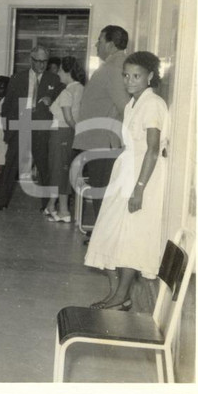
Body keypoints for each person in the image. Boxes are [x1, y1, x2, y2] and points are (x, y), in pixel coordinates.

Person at [84, 52, 169, 310]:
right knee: (108, 231)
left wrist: (139, 189)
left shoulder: (153, 103)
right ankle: (118, 294)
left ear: (150, 76)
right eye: (126, 75)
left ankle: (121, 295)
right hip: (126, 170)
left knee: (131, 236)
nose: (130, 81)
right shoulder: (133, 103)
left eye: (137, 76)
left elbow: (152, 150)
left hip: (145, 175)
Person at [72, 26, 131, 234]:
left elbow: (125, 107)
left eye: (99, 40)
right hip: (100, 140)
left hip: (103, 142)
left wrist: (115, 135)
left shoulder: (114, 68)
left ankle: (104, 241)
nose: (96, 45)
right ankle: (102, 238)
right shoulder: (113, 66)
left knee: (102, 194)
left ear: (111, 44)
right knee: (102, 192)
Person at [0, 45, 62, 210]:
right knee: (10, 166)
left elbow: (61, 105)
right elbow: (7, 107)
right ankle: (1, 202)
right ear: (31, 60)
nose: (41, 65)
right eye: (38, 61)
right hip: (20, 127)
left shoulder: (54, 80)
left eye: (44, 62)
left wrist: (51, 102)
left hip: (41, 130)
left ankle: (47, 205)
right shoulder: (17, 78)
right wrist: (8, 132)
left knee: (44, 167)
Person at [44, 56, 86, 223]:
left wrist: (79, 132)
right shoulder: (81, 88)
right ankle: (52, 206)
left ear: (68, 72)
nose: (58, 73)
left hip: (61, 133)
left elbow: (68, 118)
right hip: (67, 134)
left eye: (61, 70)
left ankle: (63, 211)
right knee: (62, 170)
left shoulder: (67, 91)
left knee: (58, 172)